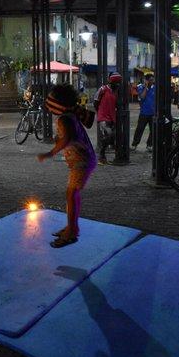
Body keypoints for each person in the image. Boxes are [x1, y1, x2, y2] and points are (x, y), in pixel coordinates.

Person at [38, 84, 96, 248]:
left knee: (71, 195)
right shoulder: (70, 115)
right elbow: (69, 136)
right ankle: (71, 226)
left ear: (58, 103)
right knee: (71, 195)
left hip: (81, 162)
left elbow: (67, 139)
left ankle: (72, 231)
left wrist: (50, 153)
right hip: (82, 160)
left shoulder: (65, 118)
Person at [94, 72, 120, 165]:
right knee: (109, 134)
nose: (117, 84)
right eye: (115, 82)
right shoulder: (103, 89)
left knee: (111, 136)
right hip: (103, 117)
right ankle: (101, 155)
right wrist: (100, 111)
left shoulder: (116, 91)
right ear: (110, 81)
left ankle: (103, 156)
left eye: (118, 83)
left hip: (112, 117)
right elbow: (96, 102)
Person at [131, 73, 155, 151]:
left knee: (153, 130)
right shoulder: (141, 87)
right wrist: (146, 87)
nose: (152, 81)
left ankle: (149, 144)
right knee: (140, 129)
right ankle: (134, 144)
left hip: (153, 113)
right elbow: (142, 96)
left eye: (152, 80)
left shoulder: (155, 88)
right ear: (146, 80)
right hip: (144, 113)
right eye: (150, 80)